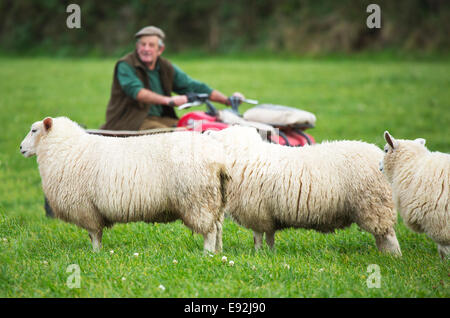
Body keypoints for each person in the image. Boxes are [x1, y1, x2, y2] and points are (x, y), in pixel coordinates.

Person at [101, 26, 243, 130]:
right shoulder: (125, 65)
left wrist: (227, 100)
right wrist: (169, 100)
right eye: (143, 44)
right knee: (173, 137)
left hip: (162, 119)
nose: (146, 49)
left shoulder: (165, 67)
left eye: (151, 45)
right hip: (130, 120)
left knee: (195, 128)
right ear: (137, 47)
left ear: (160, 49)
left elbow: (193, 86)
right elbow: (137, 92)